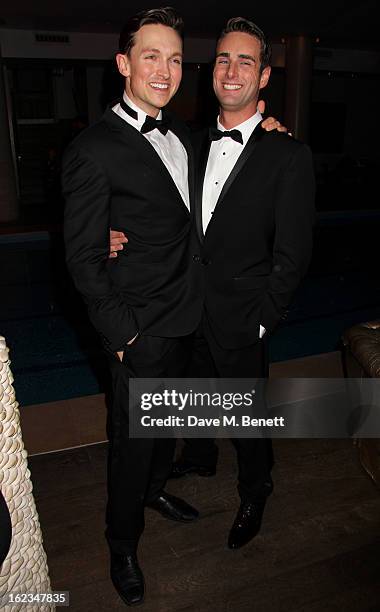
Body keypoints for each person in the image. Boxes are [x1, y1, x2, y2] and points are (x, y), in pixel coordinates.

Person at [111, 16, 315, 552]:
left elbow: (293, 256)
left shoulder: (288, 155)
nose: (231, 69)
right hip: (185, 310)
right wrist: (109, 232)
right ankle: (199, 458)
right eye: (223, 58)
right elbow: (150, 202)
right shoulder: (187, 143)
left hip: (243, 318)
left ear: (264, 77)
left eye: (245, 60)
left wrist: (264, 319)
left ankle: (256, 488)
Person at [62, 8, 203, 606]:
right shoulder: (92, 150)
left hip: (187, 318)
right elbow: (83, 261)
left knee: (165, 430)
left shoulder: (185, 137)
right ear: (123, 63)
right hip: (139, 331)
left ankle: (154, 491)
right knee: (131, 446)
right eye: (151, 55)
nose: (165, 70)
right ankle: (122, 544)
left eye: (174, 58)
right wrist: (125, 339)